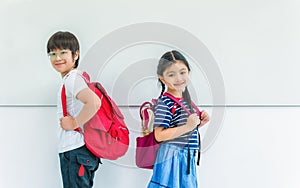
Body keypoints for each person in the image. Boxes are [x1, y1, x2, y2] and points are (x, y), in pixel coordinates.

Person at [147, 50, 210, 188]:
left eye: (182, 72)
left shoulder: (186, 100)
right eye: (171, 74)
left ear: (188, 71)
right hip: (172, 157)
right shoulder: (165, 102)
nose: (179, 78)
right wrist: (188, 126)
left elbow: (180, 130)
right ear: (162, 78)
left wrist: (198, 125)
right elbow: (159, 135)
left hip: (186, 157)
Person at [47, 31, 101, 188]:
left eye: (63, 52)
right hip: (79, 152)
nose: (57, 58)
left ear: (75, 54)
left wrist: (74, 123)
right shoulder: (73, 79)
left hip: (75, 150)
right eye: (52, 53)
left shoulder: (72, 79)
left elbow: (94, 102)